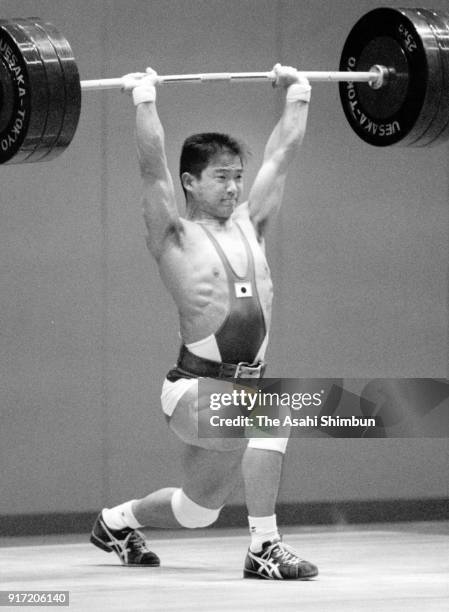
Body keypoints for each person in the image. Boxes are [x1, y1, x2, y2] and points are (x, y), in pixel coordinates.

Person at [90, 63, 318, 581]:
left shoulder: (252, 225)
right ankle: (264, 548)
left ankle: (116, 522)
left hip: (241, 391)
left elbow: (281, 156)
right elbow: (152, 170)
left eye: (238, 177)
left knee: (198, 511)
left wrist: (298, 95)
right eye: (221, 177)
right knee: (274, 414)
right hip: (192, 391)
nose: (234, 188)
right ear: (190, 181)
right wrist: (144, 101)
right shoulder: (173, 238)